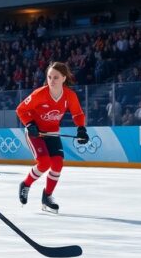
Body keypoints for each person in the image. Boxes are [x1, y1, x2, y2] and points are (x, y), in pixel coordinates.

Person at [16, 62, 88, 214]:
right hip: (35, 133)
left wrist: (81, 129)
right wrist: (30, 124)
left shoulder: (70, 96)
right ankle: (26, 184)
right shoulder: (39, 94)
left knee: (57, 164)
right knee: (44, 162)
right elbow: (21, 109)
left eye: (56, 77)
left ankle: (47, 197)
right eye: (49, 77)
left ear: (63, 78)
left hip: (52, 133)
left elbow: (78, 114)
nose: (52, 80)